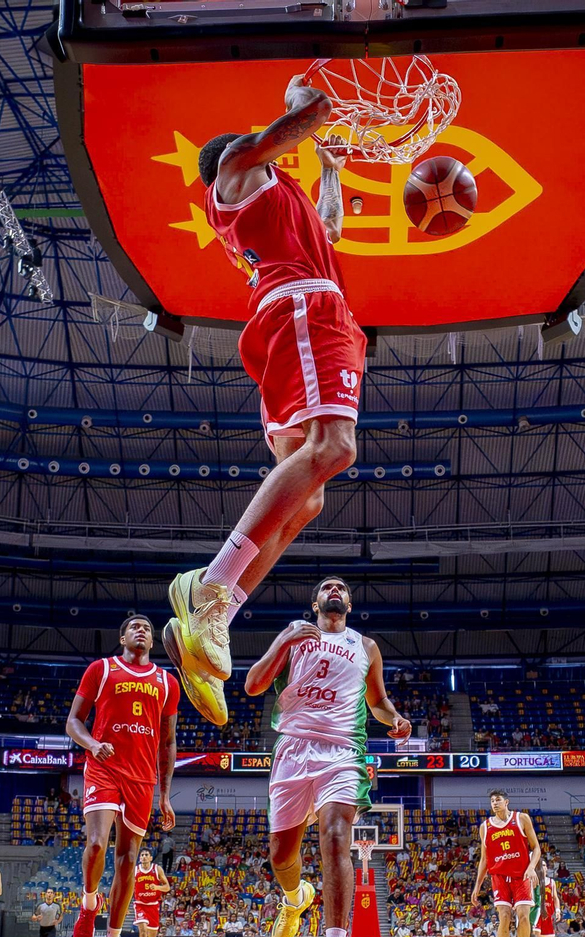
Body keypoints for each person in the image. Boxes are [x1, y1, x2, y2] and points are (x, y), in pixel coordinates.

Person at [164, 75, 363, 728]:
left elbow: (328, 226)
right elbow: (304, 120)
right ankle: (213, 586)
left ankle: (209, 632)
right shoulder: (232, 171)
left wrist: (330, 167)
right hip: (307, 314)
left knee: (311, 492)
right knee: (334, 447)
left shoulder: (283, 204)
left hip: (292, 320)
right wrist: (301, 97)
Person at [244, 577, 411, 937]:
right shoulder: (294, 636)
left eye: (341, 587)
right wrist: (282, 640)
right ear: (314, 601)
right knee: (281, 854)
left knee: (336, 836)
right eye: (326, 586)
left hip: (342, 751)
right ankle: (295, 897)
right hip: (292, 749)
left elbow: (377, 701)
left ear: (349, 603)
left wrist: (395, 719)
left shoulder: (366, 646)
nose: (334, 589)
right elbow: (252, 685)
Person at [65, 615, 179, 937]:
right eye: (134, 626)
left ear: (153, 641)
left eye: (147, 627)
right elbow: (73, 722)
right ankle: (88, 903)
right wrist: (93, 745)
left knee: (128, 861)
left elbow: (168, 742)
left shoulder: (167, 682)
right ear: (122, 637)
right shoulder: (101, 670)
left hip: (143, 779)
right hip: (104, 767)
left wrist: (165, 794)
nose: (142, 630)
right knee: (97, 844)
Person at [470, 789, 542, 937]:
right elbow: (484, 859)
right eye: (492, 800)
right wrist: (477, 886)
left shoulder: (521, 819)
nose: (494, 803)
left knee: (524, 917)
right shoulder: (485, 827)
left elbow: (536, 848)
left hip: (521, 875)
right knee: (504, 916)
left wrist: (532, 868)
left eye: (498, 800)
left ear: (506, 802)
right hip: (499, 877)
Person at [132, 846, 172, 937]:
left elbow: (167, 887)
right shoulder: (135, 870)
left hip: (154, 905)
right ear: (140, 858)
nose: (143, 856)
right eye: (141, 854)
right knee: (142, 932)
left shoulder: (156, 869)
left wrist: (157, 887)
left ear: (150, 857)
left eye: (146, 854)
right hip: (140, 905)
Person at [528, 859, 561, 937]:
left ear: (547, 868)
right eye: (541, 865)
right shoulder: (534, 880)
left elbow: (555, 898)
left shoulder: (552, 882)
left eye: (544, 865)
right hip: (536, 912)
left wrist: (557, 911)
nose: (543, 867)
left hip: (547, 914)